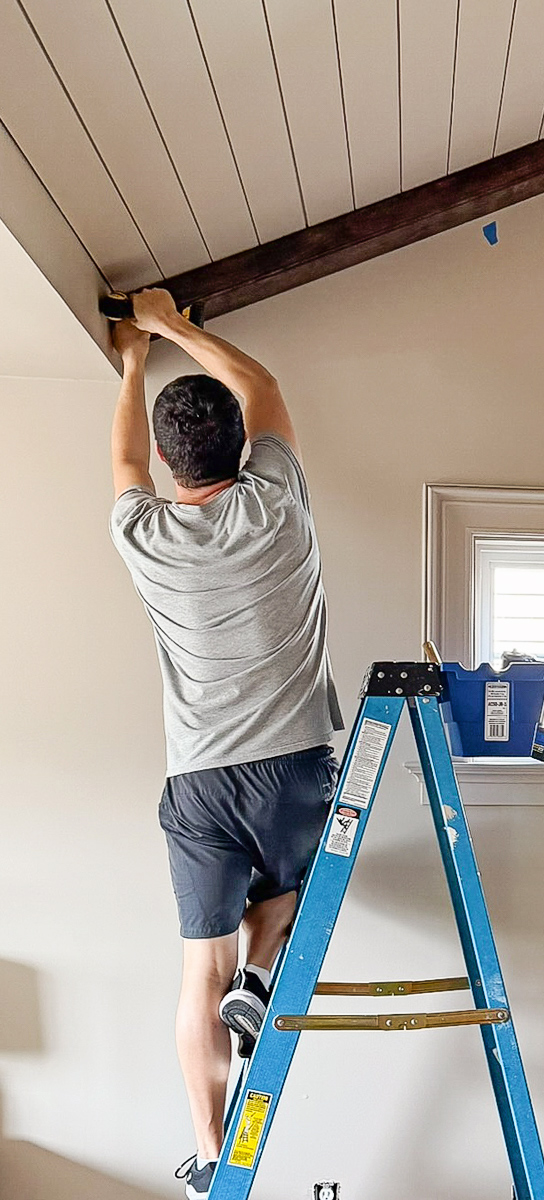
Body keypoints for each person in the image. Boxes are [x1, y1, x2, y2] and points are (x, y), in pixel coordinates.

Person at [109, 289, 343, 1199]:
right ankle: (263, 971)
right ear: (243, 445)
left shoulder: (143, 534)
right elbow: (264, 386)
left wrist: (131, 361)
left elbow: (125, 459)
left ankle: (210, 1153)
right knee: (284, 905)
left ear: (170, 462)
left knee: (195, 973)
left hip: (199, 780)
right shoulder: (278, 502)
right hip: (292, 764)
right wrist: (169, 328)